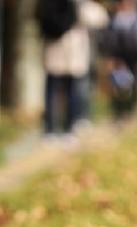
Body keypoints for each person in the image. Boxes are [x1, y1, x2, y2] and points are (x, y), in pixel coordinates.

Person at [37, 0, 108, 139]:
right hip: (65, 54)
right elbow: (99, 18)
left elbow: (99, 18)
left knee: (63, 93)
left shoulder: (72, 4)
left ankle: (59, 128)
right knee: (64, 93)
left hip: (63, 55)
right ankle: (60, 128)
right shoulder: (74, 5)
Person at [100, 0, 137, 119]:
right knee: (119, 83)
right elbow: (109, 39)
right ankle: (119, 111)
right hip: (119, 56)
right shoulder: (115, 18)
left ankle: (134, 110)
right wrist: (111, 57)